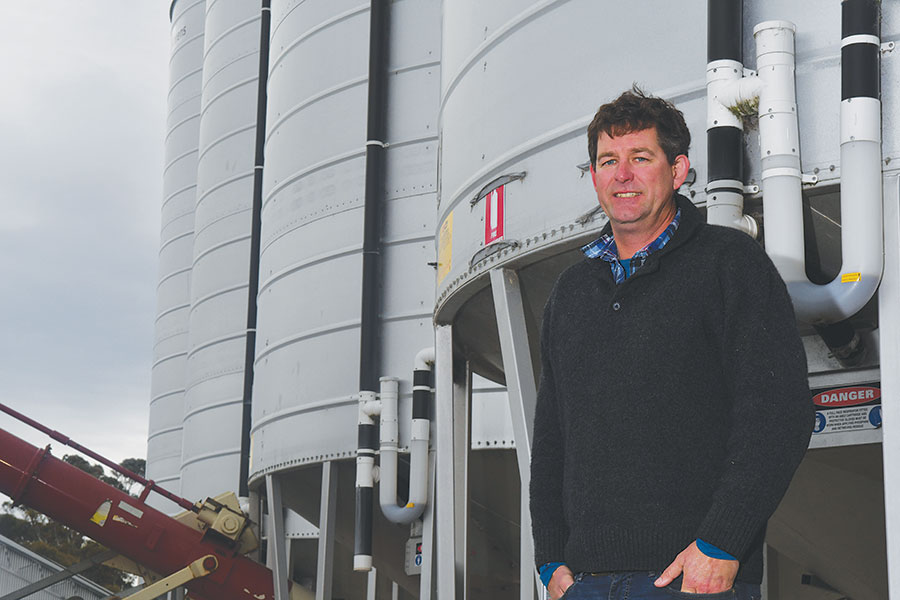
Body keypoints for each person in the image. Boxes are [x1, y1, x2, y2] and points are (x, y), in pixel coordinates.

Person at [529, 87, 813, 600]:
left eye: (641, 158)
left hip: (691, 579)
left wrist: (722, 544)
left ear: (678, 170)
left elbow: (778, 412)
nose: (622, 174)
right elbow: (551, 438)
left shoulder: (730, 265)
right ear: (594, 176)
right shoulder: (570, 293)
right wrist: (550, 561)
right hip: (584, 583)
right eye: (607, 161)